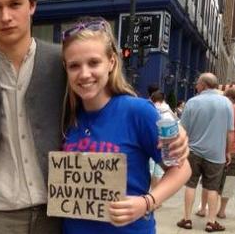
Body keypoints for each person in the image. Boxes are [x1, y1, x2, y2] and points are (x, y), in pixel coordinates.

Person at [0, 0, 189, 234]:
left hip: (55, 215)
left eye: (15, 4)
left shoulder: (64, 60)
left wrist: (175, 136)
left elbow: (112, 102)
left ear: (32, 6)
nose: (6, 16)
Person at [61, 17, 191, 233]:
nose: (84, 74)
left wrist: (147, 202)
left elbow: (182, 168)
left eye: (94, 62)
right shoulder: (66, 116)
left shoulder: (138, 111)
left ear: (111, 62)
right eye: (74, 65)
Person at [177, 73, 234, 232]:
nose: (196, 85)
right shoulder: (225, 103)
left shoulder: (192, 102)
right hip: (216, 154)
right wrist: (227, 152)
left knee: (190, 184)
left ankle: (187, 219)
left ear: (203, 85)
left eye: (197, 83)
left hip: (193, 151)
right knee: (213, 188)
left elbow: (182, 129)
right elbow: (230, 132)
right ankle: (211, 221)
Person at [216, 87, 235, 219]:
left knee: (214, 178)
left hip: (222, 148)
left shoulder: (225, 110)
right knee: (230, 180)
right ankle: (222, 210)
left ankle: (206, 206)